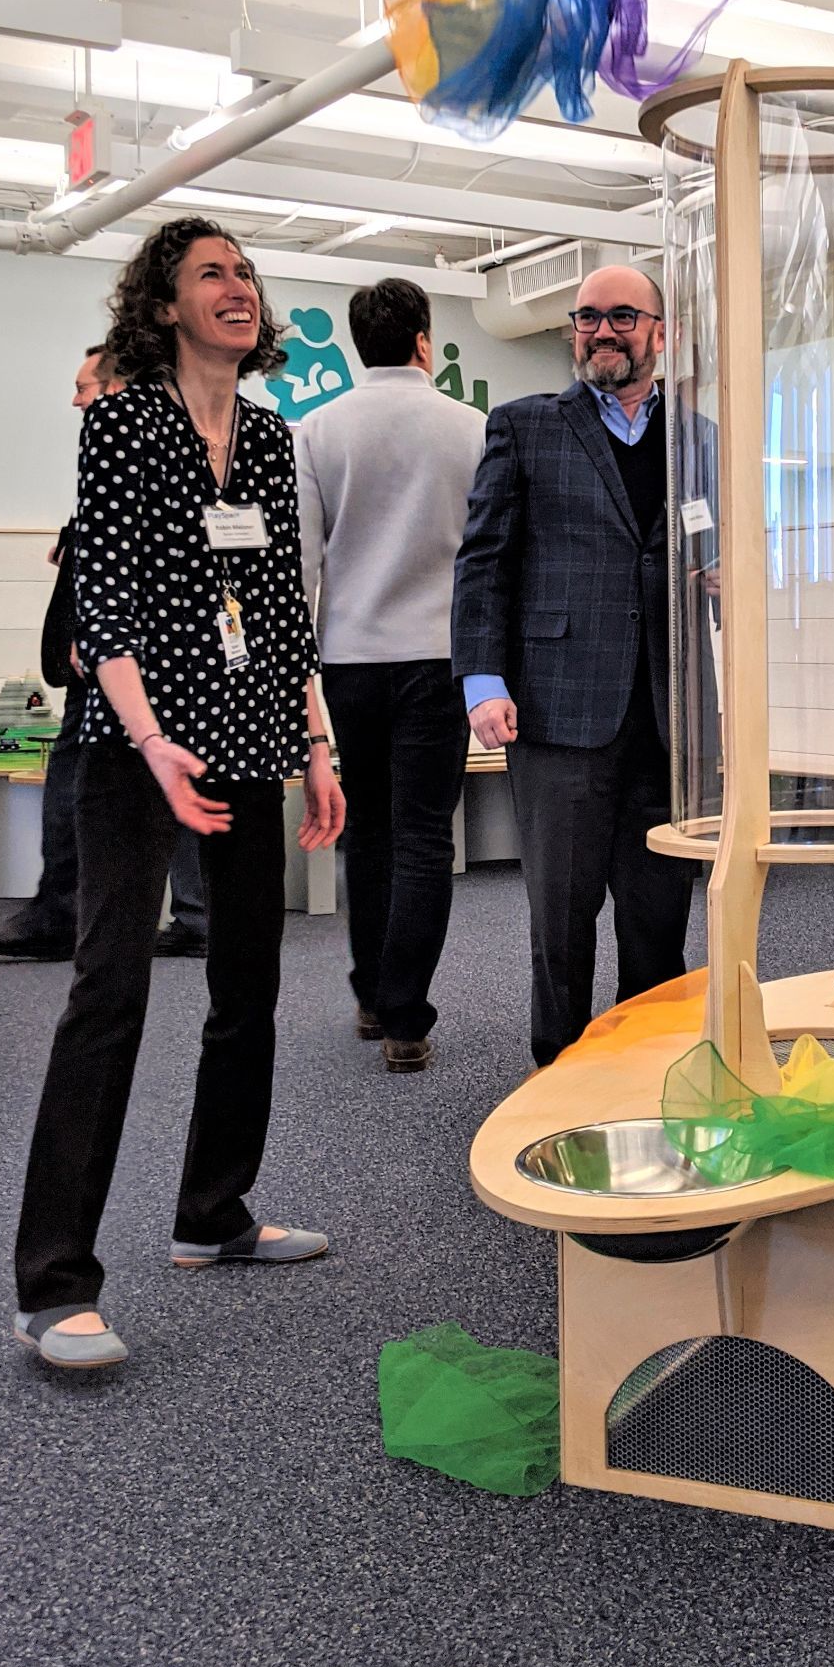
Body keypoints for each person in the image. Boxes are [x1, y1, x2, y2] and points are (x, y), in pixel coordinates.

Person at [11, 217, 345, 1371]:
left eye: (245, 272)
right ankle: (53, 1283)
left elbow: (283, 605)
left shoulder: (269, 437)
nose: (237, 286)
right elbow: (102, 601)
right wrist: (152, 740)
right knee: (109, 992)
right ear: (164, 306)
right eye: (212, 273)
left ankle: (213, 1213)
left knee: (249, 979)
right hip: (134, 745)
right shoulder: (123, 422)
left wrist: (317, 744)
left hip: (248, 736)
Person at [452, 264, 696, 1067]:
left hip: (667, 714)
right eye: (588, 317)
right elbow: (483, 561)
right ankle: (556, 1077)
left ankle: (647, 1074)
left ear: (661, 332)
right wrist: (482, 681)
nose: (602, 331)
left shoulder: (698, 435)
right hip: (557, 710)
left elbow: (708, 548)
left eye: (623, 315)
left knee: (658, 917)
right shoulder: (524, 425)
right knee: (561, 918)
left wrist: (722, 575)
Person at [295, 276, 484, 1073]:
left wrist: (300, 678)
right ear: (424, 340)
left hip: (350, 658)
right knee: (424, 836)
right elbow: (486, 553)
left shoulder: (318, 428)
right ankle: (406, 1018)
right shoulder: (472, 427)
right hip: (439, 656)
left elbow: (303, 562)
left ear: (355, 342)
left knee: (368, 827)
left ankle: (370, 995)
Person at [0, 346, 207, 962]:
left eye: (84, 387)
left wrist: (97, 630)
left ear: (116, 389)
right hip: (143, 648)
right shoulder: (160, 446)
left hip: (119, 652)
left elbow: (142, 554)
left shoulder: (139, 446)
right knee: (165, 765)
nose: (76, 400)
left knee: (79, 771)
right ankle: (192, 913)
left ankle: (62, 914)